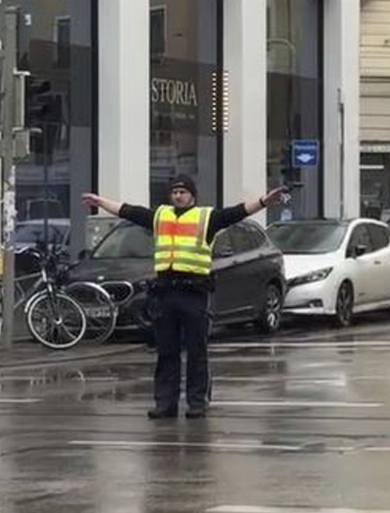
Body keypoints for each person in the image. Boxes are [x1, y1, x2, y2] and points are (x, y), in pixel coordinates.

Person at [83, 176, 287, 420]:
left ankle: (197, 402)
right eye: (175, 192)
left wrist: (264, 201)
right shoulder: (160, 216)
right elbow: (130, 212)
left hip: (194, 293)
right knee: (166, 352)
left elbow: (236, 213)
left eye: (182, 191)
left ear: (192, 195)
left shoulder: (205, 217)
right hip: (166, 292)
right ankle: (165, 404)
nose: (178, 195)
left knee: (196, 352)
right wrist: (100, 201)